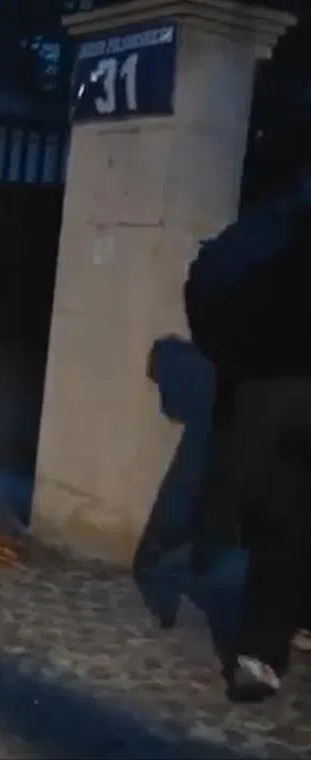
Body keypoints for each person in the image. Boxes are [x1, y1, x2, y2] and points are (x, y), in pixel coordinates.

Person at [186, 181, 311, 702]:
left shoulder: (261, 239)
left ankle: (267, 646)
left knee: (283, 525)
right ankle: (268, 643)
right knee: (284, 524)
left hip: (274, 393)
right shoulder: (276, 247)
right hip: (285, 399)